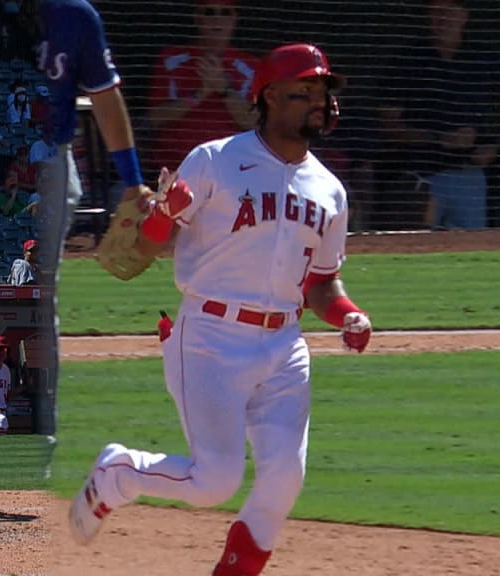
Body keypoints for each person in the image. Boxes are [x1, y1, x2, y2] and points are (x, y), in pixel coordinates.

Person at [67, 44, 373, 576]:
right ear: (270, 97)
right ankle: (120, 472)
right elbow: (143, 247)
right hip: (210, 336)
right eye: (306, 92)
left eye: (323, 93)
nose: (320, 103)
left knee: (284, 480)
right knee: (215, 482)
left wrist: (347, 312)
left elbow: (322, 283)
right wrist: (164, 212)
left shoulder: (330, 190)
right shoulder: (215, 159)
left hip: (285, 347)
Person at [36, 0, 154, 437]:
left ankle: (38, 415)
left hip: (49, 161)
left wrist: (133, 181)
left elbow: (105, 96)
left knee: (38, 291)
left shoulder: (74, 15)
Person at [376, 0, 500, 230]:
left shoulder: (483, 59)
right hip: (419, 176)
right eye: (436, 11)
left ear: (464, 16)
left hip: (469, 176)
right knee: (414, 247)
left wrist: (495, 146)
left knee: (472, 253)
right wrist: (438, 139)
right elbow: (387, 122)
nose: (442, 18)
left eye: (449, 11)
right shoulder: (407, 61)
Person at [146, 0, 258, 171]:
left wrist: (224, 89)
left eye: (225, 13)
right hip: (174, 168)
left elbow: (255, 123)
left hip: (233, 171)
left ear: (235, 19)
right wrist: (199, 94)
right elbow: (154, 119)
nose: (217, 20)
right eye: (209, 12)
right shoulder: (171, 59)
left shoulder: (252, 66)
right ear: (197, 18)